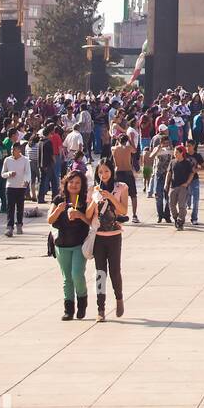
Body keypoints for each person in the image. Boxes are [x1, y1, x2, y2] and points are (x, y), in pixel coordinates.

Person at [87, 159, 128, 321]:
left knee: (115, 271)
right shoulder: (94, 190)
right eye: (100, 172)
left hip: (114, 236)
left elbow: (123, 210)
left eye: (106, 171)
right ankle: (100, 309)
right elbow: (89, 215)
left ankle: (119, 298)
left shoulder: (121, 187)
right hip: (98, 237)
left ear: (112, 171)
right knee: (100, 273)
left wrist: (111, 197)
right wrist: (95, 200)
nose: (103, 175)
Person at [47, 170, 91, 320]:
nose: (74, 185)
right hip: (61, 244)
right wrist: (59, 210)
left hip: (79, 243)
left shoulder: (85, 200)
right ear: (66, 183)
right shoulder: (59, 199)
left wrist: (80, 215)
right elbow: (50, 220)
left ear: (82, 185)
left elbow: (92, 221)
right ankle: (69, 308)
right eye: (71, 182)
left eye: (77, 182)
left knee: (77, 274)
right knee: (67, 278)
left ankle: (82, 301)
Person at [2, 140, 30, 236]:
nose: (13, 151)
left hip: (21, 187)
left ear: (19, 150)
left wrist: (26, 181)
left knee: (20, 207)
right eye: (12, 149)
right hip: (10, 186)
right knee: (10, 207)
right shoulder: (7, 160)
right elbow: (3, 174)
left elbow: (27, 173)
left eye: (15, 149)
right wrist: (9, 174)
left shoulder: (25, 160)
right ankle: (9, 227)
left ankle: (19, 225)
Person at [112, 129, 140, 224]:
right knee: (133, 195)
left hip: (118, 172)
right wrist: (130, 140)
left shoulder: (114, 149)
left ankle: (117, 214)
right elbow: (135, 150)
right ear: (126, 141)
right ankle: (134, 215)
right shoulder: (128, 148)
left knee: (117, 195)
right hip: (128, 172)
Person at [185, 138, 204, 224]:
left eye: (189, 146)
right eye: (186, 146)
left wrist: (195, 170)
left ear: (193, 146)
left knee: (195, 200)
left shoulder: (198, 156)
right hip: (184, 180)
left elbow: (203, 167)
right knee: (184, 200)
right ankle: (182, 217)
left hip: (194, 180)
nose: (187, 148)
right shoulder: (183, 155)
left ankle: (194, 218)